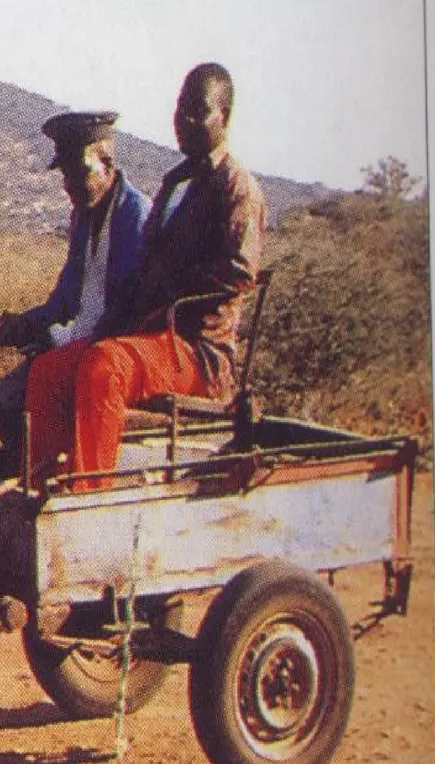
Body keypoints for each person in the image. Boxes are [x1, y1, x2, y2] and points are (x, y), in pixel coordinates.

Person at [21, 63, 267, 489]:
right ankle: (44, 488)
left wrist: (171, 290)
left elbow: (240, 271)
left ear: (223, 116)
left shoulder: (236, 186)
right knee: (49, 371)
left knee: (104, 367)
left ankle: (88, 494)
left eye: (198, 109)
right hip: (153, 338)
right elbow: (144, 267)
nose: (184, 120)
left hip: (198, 350)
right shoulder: (175, 184)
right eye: (180, 107)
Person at [0, 110, 152, 459]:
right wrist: (27, 323)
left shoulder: (134, 215)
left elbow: (121, 312)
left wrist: (54, 338)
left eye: (79, 172)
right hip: (80, 343)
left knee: (17, 400)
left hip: (111, 350)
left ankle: (54, 481)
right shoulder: (82, 216)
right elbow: (65, 299)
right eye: (66, 174)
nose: (70, 184)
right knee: (7, 400)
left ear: (106, 163)